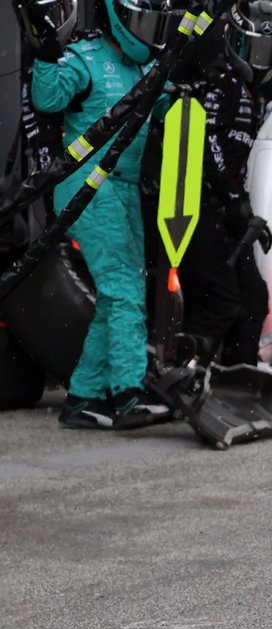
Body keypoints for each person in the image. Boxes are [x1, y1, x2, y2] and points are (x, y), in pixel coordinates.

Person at [30, 0, 180, 430]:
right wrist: (45, 53)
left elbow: (167, 117)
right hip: (88, 186)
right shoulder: (87, 58)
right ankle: (128, 393)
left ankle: (82, 398)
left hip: (124, 187)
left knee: (121, 291)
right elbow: (47, 96)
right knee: (122, 290)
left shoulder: (146, 67)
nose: (148, 30)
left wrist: (182, 95)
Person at [160, 1, 272, 369]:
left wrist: (244, 211)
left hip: (225, 208)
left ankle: (240, 377)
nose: (259, 60)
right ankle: (185, 371)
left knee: (253, 298)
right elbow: (204, 141)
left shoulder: (254, 95)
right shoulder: (218, 81)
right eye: (253, 48)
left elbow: (234, 164)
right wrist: (232, 199)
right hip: (196, 206)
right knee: (220, 300)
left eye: (267, 50)